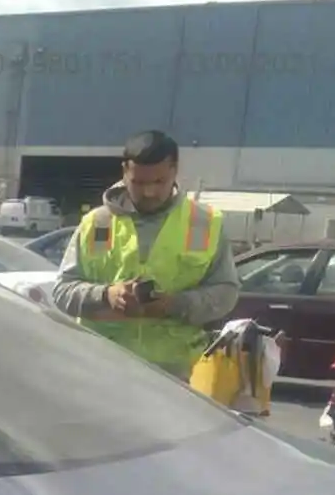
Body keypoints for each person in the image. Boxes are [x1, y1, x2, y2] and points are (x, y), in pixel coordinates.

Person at [49, 130, 239, 378]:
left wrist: (175, 304)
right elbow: (62, 291)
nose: (149, 192)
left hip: (176, 375)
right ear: (124, 171)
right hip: (101, 371)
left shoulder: (204, 223)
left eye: (159, 182)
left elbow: (226, 292)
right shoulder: (97, 223)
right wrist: (107, 295)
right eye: (138, 183)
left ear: (175, 170)